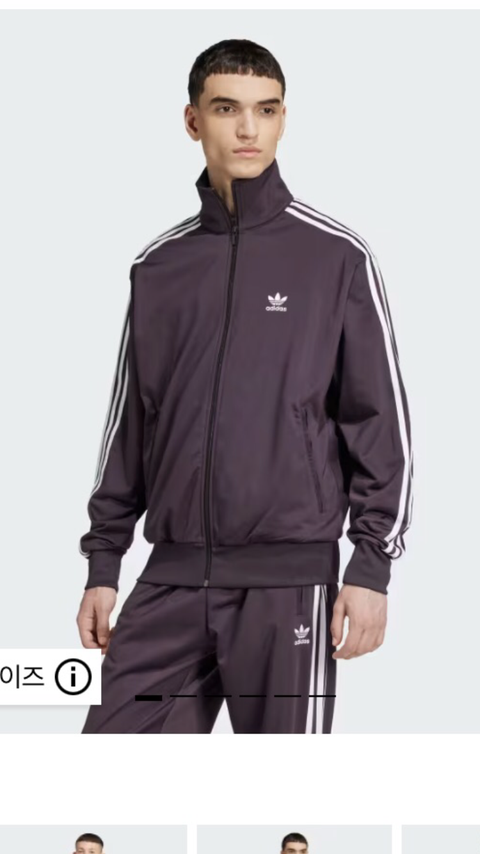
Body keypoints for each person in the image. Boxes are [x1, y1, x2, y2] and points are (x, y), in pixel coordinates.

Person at [77, 38, 413, 734]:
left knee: (284, 789)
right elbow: (131, 425)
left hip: (288, 584)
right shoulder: (158, 267)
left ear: (284, 119)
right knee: (106, 774)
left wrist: (371, 566)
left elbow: (380, 423)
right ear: (193, 120)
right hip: (172, 577)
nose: (248, 129)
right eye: (227, 109)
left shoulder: (335, 258)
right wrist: (104, 563)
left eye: (266, 110)